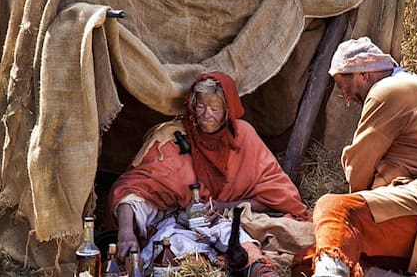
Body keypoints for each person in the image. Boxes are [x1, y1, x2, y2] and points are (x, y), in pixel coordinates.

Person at [292, 37, 417, 277]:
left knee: (333, 207)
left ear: (363, 74)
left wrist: (346, 209)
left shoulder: (388, 90)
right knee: (303, 261)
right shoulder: (406, 85)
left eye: (345, 88)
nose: (347, 98)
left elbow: (359, 165)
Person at [109, 71, 310, 276]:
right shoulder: (173, 139)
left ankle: (259, 269)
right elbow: (133, 190)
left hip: (229, 222)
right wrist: (126, 232)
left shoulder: (242, 137)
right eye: (201, 106)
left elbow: (276, 195)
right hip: (177, 224)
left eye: (215, 109)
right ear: (192, 106)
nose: (206, 115)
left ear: (227, 110)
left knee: (243, 246)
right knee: (169, 250)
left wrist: (224, 207)